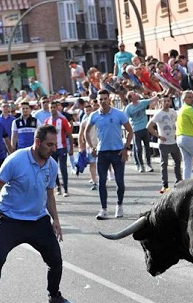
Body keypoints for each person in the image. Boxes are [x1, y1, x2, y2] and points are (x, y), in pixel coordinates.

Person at [0, 124, 74, 303]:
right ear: (37, 142)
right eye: (49, 145)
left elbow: (49, 194)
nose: (53, 149)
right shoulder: (15, 160)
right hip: (10, 220)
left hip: (38, 221)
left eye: (55, 145)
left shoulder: (51, 165)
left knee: (55, 260)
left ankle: (54, 296)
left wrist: (56, 219)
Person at [85, 89, 134, 220]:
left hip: (117, 151)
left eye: (105, 99)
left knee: (119, 182)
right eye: (100, 99)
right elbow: (86, 132)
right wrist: (90, 146)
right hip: (102, 152)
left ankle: (119, 205)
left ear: (109, 99)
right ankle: (104, 209)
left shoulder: (119, 114)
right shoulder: (94, 115)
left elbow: (130, 131)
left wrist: (126, 148)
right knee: (101, 181)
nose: (103, 101)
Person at [147, 95, 182, 194]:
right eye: (164, 101)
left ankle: (179, 181)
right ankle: (165, 185)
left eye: (168, 101)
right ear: (161, 103)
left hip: (173, 141)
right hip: (164, 142)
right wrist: (158, 136)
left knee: (178, 162)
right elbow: (149, 126)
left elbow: (178, 122)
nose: (167, 103)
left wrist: (177, 133)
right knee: (164, 164)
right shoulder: (159, 114)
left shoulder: (173, 112)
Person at [44, 102, 74, 196]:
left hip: (62, 147)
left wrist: (71, 148)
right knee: (53, 169)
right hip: (51, 149)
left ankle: (65, 189)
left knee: (63, 168)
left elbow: (69, 134)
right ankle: (58, 186)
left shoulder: (63, 120)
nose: (52, 109)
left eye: (54, 107)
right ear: (49, 109)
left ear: (57, 108)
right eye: (51, 107)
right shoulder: (47, 121)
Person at [124, 91, 158, 172]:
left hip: (145, 128)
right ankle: (140, 165)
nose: (136, 95)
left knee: (147, 147)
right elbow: (125, 118)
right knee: (138, 148)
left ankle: (149, 164)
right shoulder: (128, 108)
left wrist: (157, 95)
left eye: (135, 94)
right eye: (134, 95)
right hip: (136, 129)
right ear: (130, 98)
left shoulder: (142, 103)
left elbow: (152, 100)